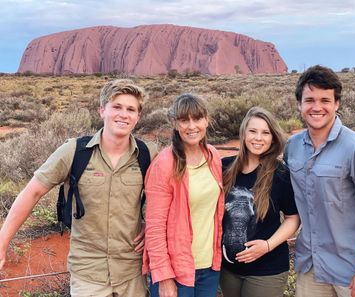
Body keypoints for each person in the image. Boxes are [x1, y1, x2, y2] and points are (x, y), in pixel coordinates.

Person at [0, 79, 157, 297]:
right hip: (88, 273)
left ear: (138, 116)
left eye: (131, 109)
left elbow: (171, 197)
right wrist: (2, 241)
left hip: (131, 272)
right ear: (102, 110)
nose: (124, 114)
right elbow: (32, 191)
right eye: (117, 107)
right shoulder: (74, 152)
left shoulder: (148, 154)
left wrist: (151, 227)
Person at [283, 65, 355, 297]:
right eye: (309, 100)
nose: (317, 107)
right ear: (299, 104)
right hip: (311, 269)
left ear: (337, 104)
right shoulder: (292, 148)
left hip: (354, 269)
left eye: (325, 100)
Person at [143, 93, 224, 297]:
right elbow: (155, 227)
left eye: (197, 118)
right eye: (183, 120)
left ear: (207, 120)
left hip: (209, 266)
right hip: (176, 270)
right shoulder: (164, 164)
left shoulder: (213, 156)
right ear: (174, 123)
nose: (191, 126)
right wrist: (164, 277)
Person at [220, 106, 300, 297]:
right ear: (243, 133)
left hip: (267, 269)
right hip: (228, 268)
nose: (258, 138)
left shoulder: (281, 174)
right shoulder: (224, 167)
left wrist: (267, 245)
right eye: (253, 131)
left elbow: (293, 218)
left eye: (265, 133)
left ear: (272, 137)